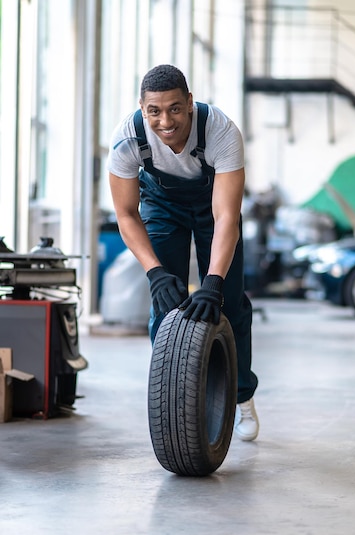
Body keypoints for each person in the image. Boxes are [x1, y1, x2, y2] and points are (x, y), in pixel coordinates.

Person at [107, 64, 259, 441]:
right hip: (161, 206)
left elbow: (227, 218)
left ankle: (241, 397)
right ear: (142, 108)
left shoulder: (221, 131)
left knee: (230, 304)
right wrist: (155, 273)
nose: (166, 121)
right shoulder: (126, 139)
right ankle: (171, 397)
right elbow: (126, 215)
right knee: (166, 302)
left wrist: (212, 283)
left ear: (190, 102)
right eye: (154, 111)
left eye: (175, 108)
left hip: (212, 207)